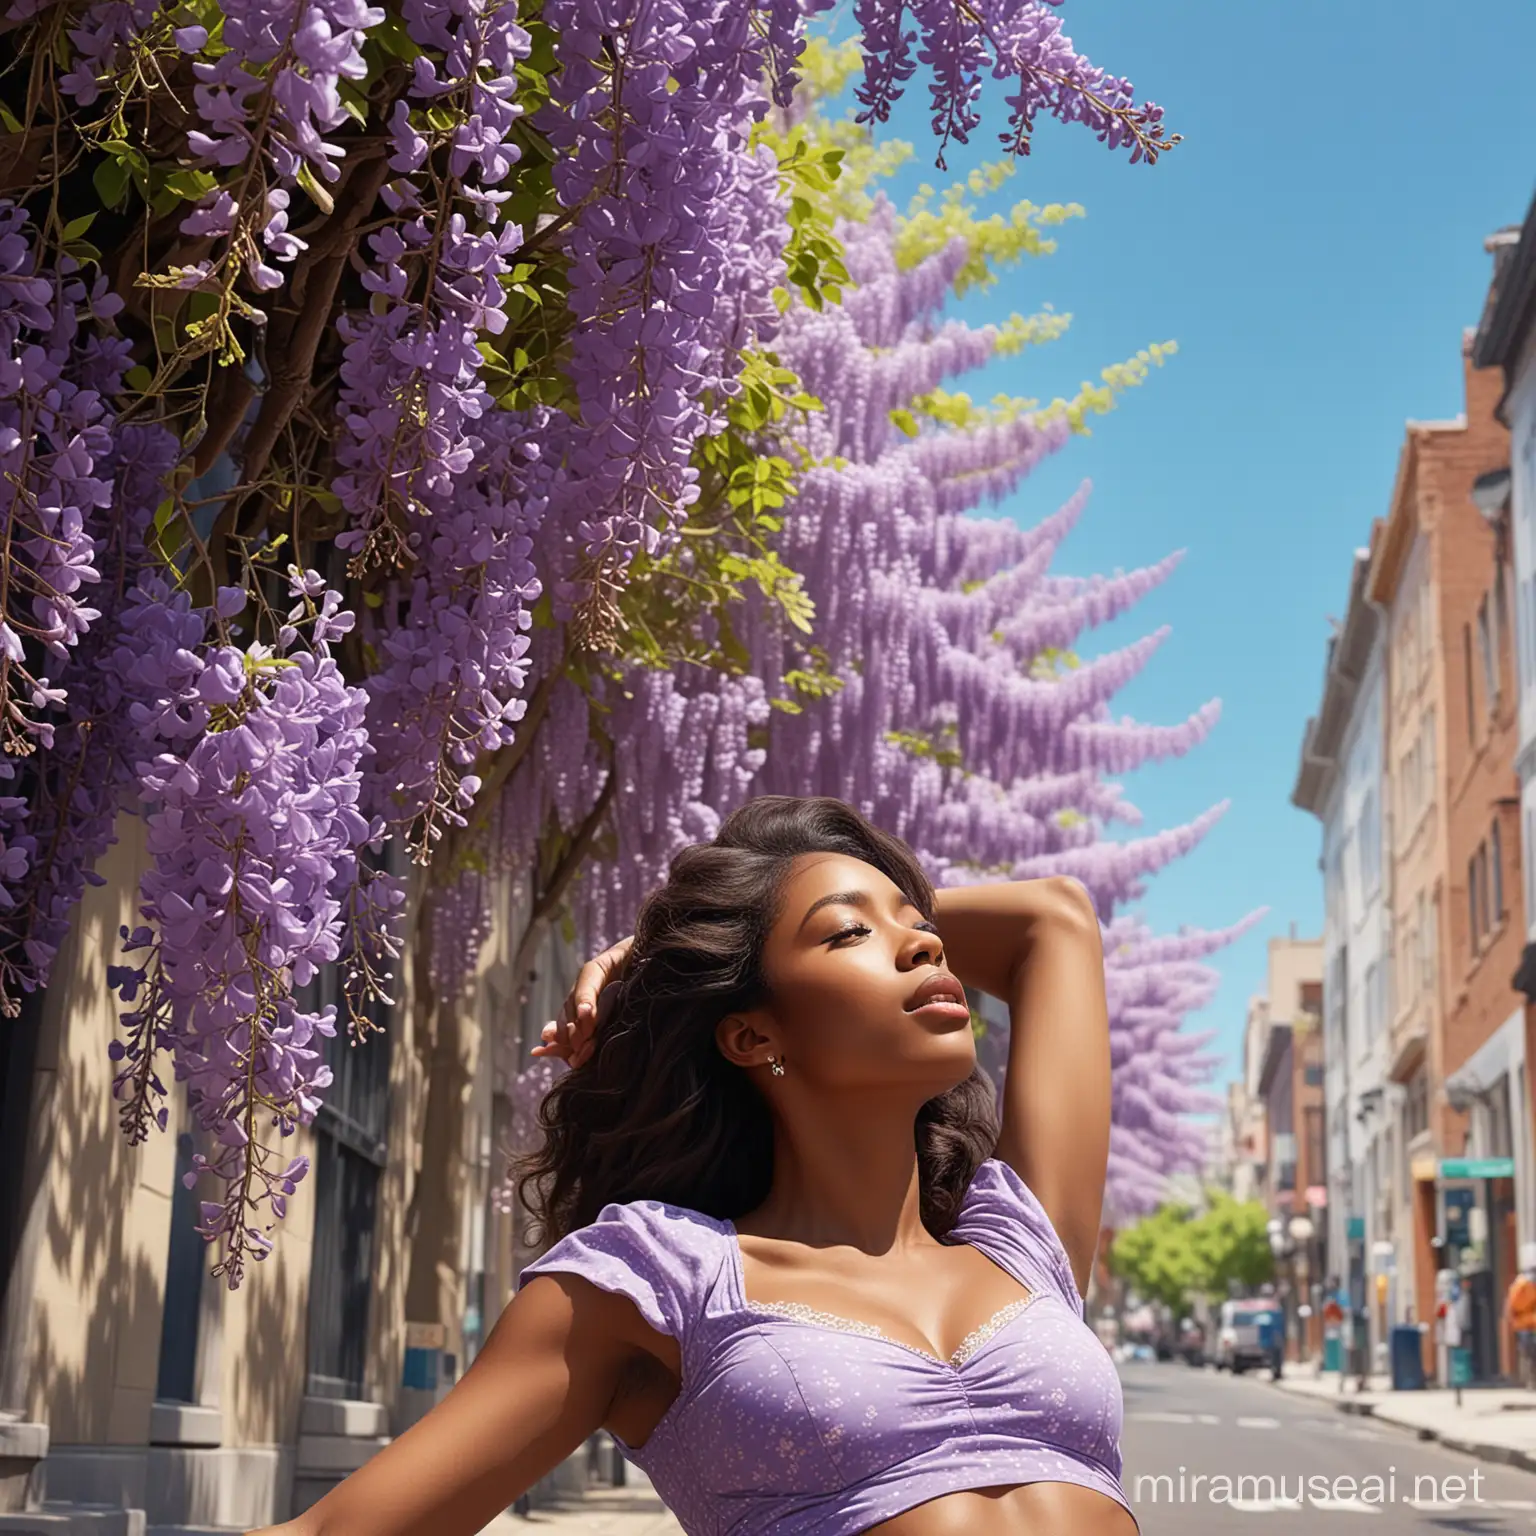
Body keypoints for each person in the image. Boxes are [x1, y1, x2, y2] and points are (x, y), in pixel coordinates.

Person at [247, 796, 1136, 1536]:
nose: (926, 944)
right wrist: (706, 951)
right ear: (752, 1033)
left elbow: (1053, 920)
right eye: (847, 935)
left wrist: (662, 954)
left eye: (920, 925)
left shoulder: (1022, 1242)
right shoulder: (661, 1276)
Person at [1504, 1262, 1536, 1389]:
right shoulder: (1522, 1285)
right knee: (1528, 1353)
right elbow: (1514, 1305)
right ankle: (1529, 1381)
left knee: (1529, 1353)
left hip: (1528, 1324)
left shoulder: (1525, 1285)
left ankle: (1530, 1380)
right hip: (1524, 1325)